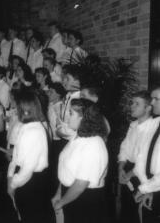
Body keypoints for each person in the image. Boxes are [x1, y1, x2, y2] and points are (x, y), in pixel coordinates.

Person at [52, 98, 109, 223]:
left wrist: (61, 202)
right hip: (71, 194)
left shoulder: (94, 144)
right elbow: (68, 172)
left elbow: (81, 184)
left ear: (83, 118)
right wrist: (58, 193)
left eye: (71, 113)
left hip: (85, 199)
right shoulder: (77, 137)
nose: (67, 116)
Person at [7, 88, 54, 223]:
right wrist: (10, 176)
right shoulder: (26, 126)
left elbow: (28, 168)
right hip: (23, 176)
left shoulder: (34, 131)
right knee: (24, 213)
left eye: (18, 106)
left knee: (32, 215)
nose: (16, 108)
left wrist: (13, 183)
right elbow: (15, 155)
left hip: (32, 180)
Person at [117, 91, 153, 223]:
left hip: (143, 174)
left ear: (148, 107)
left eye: (137, 104)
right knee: (127, 211)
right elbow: (124, 148)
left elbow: (145, 157)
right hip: (128, 168)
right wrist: (121, 168)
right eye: (132, 103)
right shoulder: (133, 125)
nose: (132, 106)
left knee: (140, 213)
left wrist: (130, 174)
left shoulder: (153, 129)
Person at [133, 87, 160, 222]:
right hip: (152, 187)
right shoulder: (154, 124)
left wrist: (145, 188)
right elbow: (142, 156)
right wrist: (148, 188)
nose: (152, 102)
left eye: (156, 99)